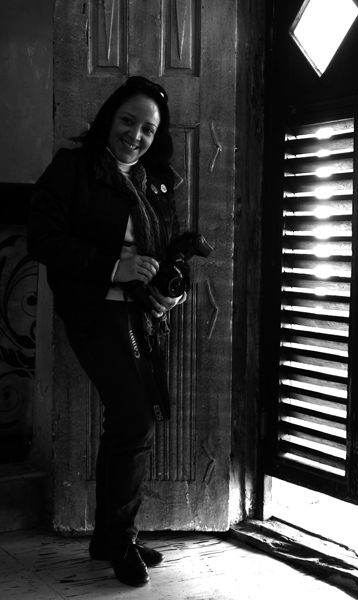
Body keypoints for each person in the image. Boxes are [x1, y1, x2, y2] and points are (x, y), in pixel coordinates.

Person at [27, 76, 188, 587]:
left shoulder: (155, 181)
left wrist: (172, 291)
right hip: (94, 312)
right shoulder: (72, 167)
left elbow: (169, 250)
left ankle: (111, 537)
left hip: (143, 316)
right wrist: (113, 268)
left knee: (132, 421)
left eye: (147, 129)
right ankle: (118, 540)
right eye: (127, 121)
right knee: (135, 418)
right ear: (108, 119)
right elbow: (42, 239)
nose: (135, 135)